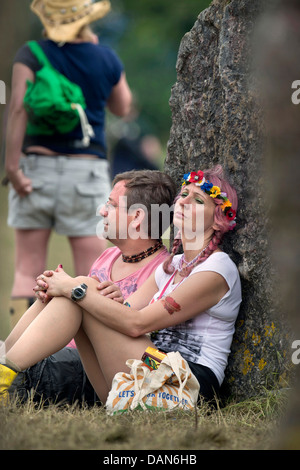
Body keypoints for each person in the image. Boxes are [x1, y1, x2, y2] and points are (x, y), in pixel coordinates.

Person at [0, 165, 242, 406]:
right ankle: (5, 374)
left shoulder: (217, 269)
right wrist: (57, 289)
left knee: (81, 289)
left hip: (188, 381)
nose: (184, 201)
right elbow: (124, 312)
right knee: (82, 292)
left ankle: (5, 379)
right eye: (185, 194)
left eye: (198, 200)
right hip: (151, 366)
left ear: (218, 219)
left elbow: (137, 324)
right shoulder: (171, 265)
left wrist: (74, 289)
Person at [3, 0, 132, 329]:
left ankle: (16, 354)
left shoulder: (30, 53)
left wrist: (13, 167)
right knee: (93, 271)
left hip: (35, 169)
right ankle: (83, 356)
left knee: (26, 268)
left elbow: (17, 107)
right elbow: (122, 107)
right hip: (85, 172)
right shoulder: (106, 57)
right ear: (88, 19)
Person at [5, 169, 177, 405]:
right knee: (66, 288)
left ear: (137, 217)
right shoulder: (108, 256)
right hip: (63, 355)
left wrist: (79, 289)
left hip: (97, 368)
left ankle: (7, 374)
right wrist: (49, 292)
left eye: (111, 205)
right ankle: (6, 368)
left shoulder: (163, 270)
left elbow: (147, 338)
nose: (102, 211)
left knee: (79, 287)